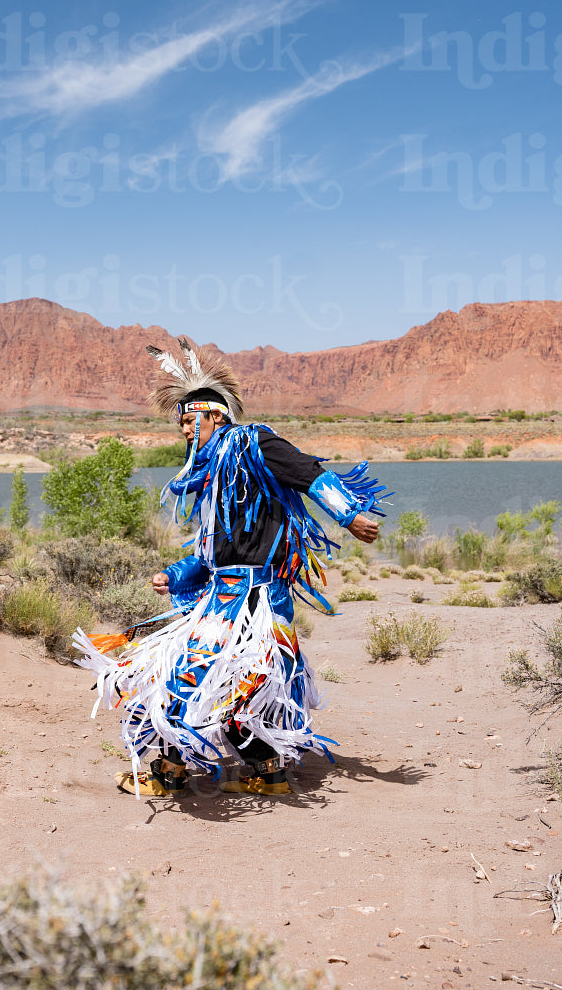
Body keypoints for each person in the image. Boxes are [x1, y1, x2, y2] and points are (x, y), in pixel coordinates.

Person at [74, 339, 389, 797]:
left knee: (198, 680)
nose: (184, 430)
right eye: (180, 422)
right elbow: (209, 557)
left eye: (189, 420)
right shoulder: (212, 481)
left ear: (215, 416)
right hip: (221, 600)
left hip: (257, 603)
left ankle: (171, 772)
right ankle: (268, 772)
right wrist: (175, 575)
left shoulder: (252, 441)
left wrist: (348, 514)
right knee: (222, 687)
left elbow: (308, 472)